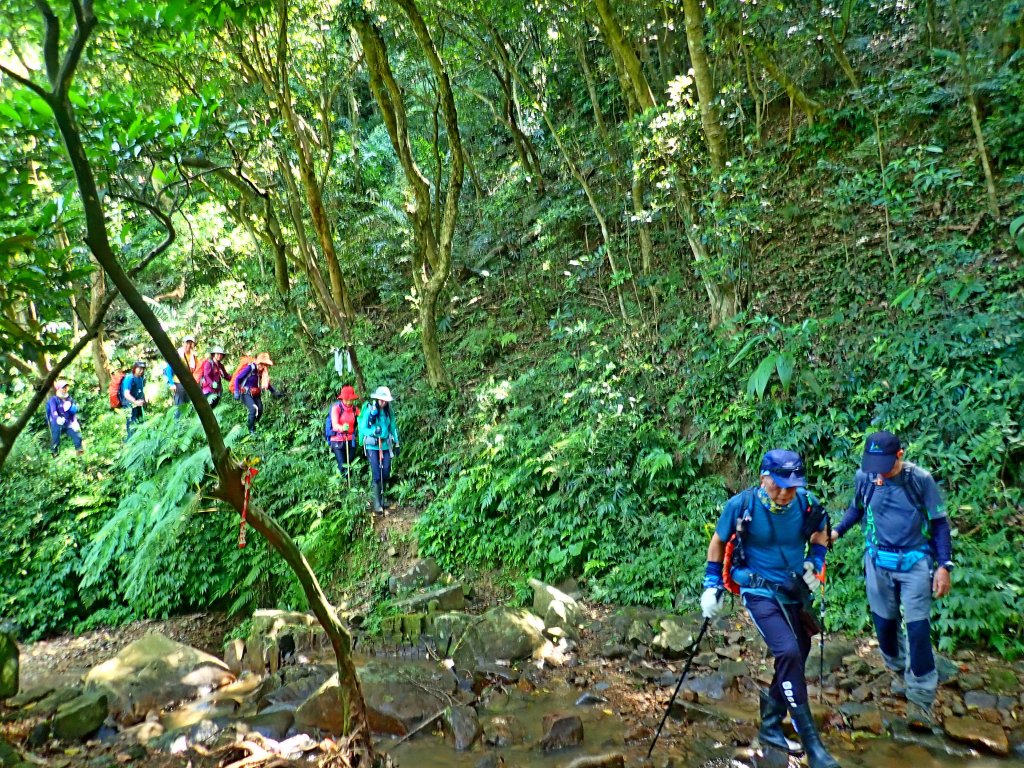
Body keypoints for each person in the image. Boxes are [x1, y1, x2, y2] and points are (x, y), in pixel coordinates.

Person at [701, 450, 839, 768]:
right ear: (764, 478)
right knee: (788, 652)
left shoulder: (807, 504)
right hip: (758, 590)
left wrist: (815, 561)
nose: (785, 492)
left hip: (793, 592)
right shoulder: (742, 506)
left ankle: (771, 727)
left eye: (792, 486)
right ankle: (814, 748)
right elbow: (718, 542)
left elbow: (820, 532)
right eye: (779, 485)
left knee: (799, 651)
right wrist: (712, 585)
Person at [831, 431, 953, 729]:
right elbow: (856, 509)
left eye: (884, 463)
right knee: (884, 624)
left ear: (900, 454)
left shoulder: (919, 480)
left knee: (917, 628)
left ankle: (921, 699)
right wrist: (836, 532)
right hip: (877, 561)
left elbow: (939, 524)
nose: (879, 469)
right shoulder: (866, 477)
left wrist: (944, 566)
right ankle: (899, 672)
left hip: (914, 562)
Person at [358, 386, 399, 514]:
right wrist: (373, 431)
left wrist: (397, 443)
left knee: (386, 470)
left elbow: (392, 426)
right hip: (372, 445)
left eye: (385, 400)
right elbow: (363, 428)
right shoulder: (369, 410)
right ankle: (377, 502)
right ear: (377, 399)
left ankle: (382, 499)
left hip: (385, 445)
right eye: (381, 400)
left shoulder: (388, 411)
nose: (383, 402)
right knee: (376, 473)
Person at [232, 352, 282, 434]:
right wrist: (236, 391)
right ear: (258, 362)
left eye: (264, 365)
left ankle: (254, 424)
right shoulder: (250, 368)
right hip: (245, 393)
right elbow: (237, 379)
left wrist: (274, 392)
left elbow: (266, 383)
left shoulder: (262, 372)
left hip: (255, 393)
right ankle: (251, 430)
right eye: (261, 364)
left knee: (260, 410)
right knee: (253, 409)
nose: (262, 366)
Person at [328, 385, 361, 479]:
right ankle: (341, 485)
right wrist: (342, 428)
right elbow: (335, 425)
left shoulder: (355, 409)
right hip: (337, 440)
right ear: (342, 399)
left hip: (351, 440)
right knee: (342, 464)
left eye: (350, 400)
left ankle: (348, 485)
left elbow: (362, 417)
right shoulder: (336, 408)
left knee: (349, 463)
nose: (349, 402)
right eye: (346, 399)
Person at [46, 380, 83, 457]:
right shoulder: (54, 399)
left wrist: (74, 421)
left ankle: (79, 452)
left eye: (66, 387)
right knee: (55, 438)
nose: (65, 389)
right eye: (63, 387)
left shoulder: (69, 398)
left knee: (77, 435)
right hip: (57, 423)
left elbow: (74, 411)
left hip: (68, 422)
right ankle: (54, 454)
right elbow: (53, 411)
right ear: (59, 389)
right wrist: (57, 418)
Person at [166, 335, 200, 417]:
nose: (188, 345)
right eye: (186, 343)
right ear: (183, 343)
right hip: (178, 383)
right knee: (180, 406)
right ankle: (178, 425)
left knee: (188, 405)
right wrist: (171, 383)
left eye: (190, 343)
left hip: (189, 383)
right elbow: (168, 370)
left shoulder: (194, 356)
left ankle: (187, 424)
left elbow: (197, 369)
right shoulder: (177, 355)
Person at [121, 361, 147, 438]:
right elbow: (126, 394)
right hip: (129, 404)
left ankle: (140, 440)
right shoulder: (129, 378)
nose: (141, 371)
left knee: (140, 421)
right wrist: (135, 402)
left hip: (138, 403)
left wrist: (144, 400)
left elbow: (141, 390)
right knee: (131, 425)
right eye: (140, 369)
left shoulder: (141, 378)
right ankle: (130, 442)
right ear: (135, 368)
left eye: (143, 369)